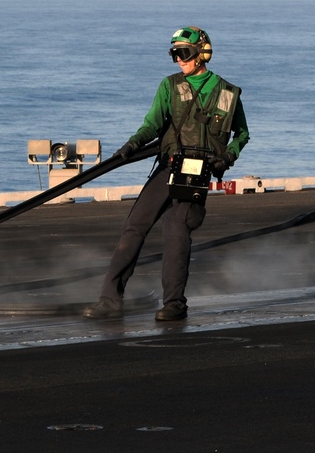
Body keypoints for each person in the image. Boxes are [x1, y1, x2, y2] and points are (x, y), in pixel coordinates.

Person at [83, 26, 250, 322]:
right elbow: (152, 125)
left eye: (183, 53)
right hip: (168, 166)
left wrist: (228, 157)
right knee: (135, 225)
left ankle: (174, 304)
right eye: (174, 54)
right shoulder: (170, 87)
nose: (178, 60)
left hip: (197, 173)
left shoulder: (227, 93)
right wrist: (131, 144)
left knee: (176, 230)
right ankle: (110, 300)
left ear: (202, 54)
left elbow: (242, 134)